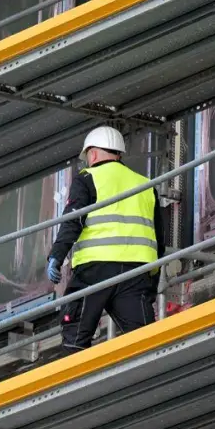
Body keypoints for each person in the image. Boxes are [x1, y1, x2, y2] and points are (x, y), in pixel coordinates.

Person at [45, 127, 163, 353]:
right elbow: (159, 239)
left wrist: (56, 257)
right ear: (119, 154)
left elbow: (73, 221)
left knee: (76, 337)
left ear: (93, 154)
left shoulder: (88, 178)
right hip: (136, 272)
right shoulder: (145, 184)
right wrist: (151, 281)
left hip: (95, 269)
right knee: (145, 342)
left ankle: (73, 382)